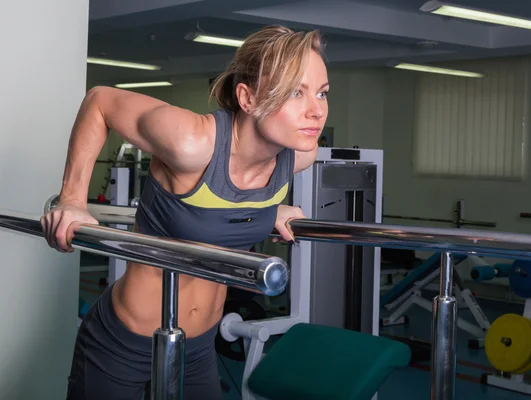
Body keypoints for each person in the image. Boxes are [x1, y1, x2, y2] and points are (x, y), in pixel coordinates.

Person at [40, 25, 329, 400]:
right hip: (121, 344)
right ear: (248, 97)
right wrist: (73, 200)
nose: (317, 110)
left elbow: (225, 201)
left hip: (198, 348)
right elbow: (99, 101)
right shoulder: (191, 142)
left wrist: (268, 208)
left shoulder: (299, 156)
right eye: (296, 92)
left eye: (322, 93)